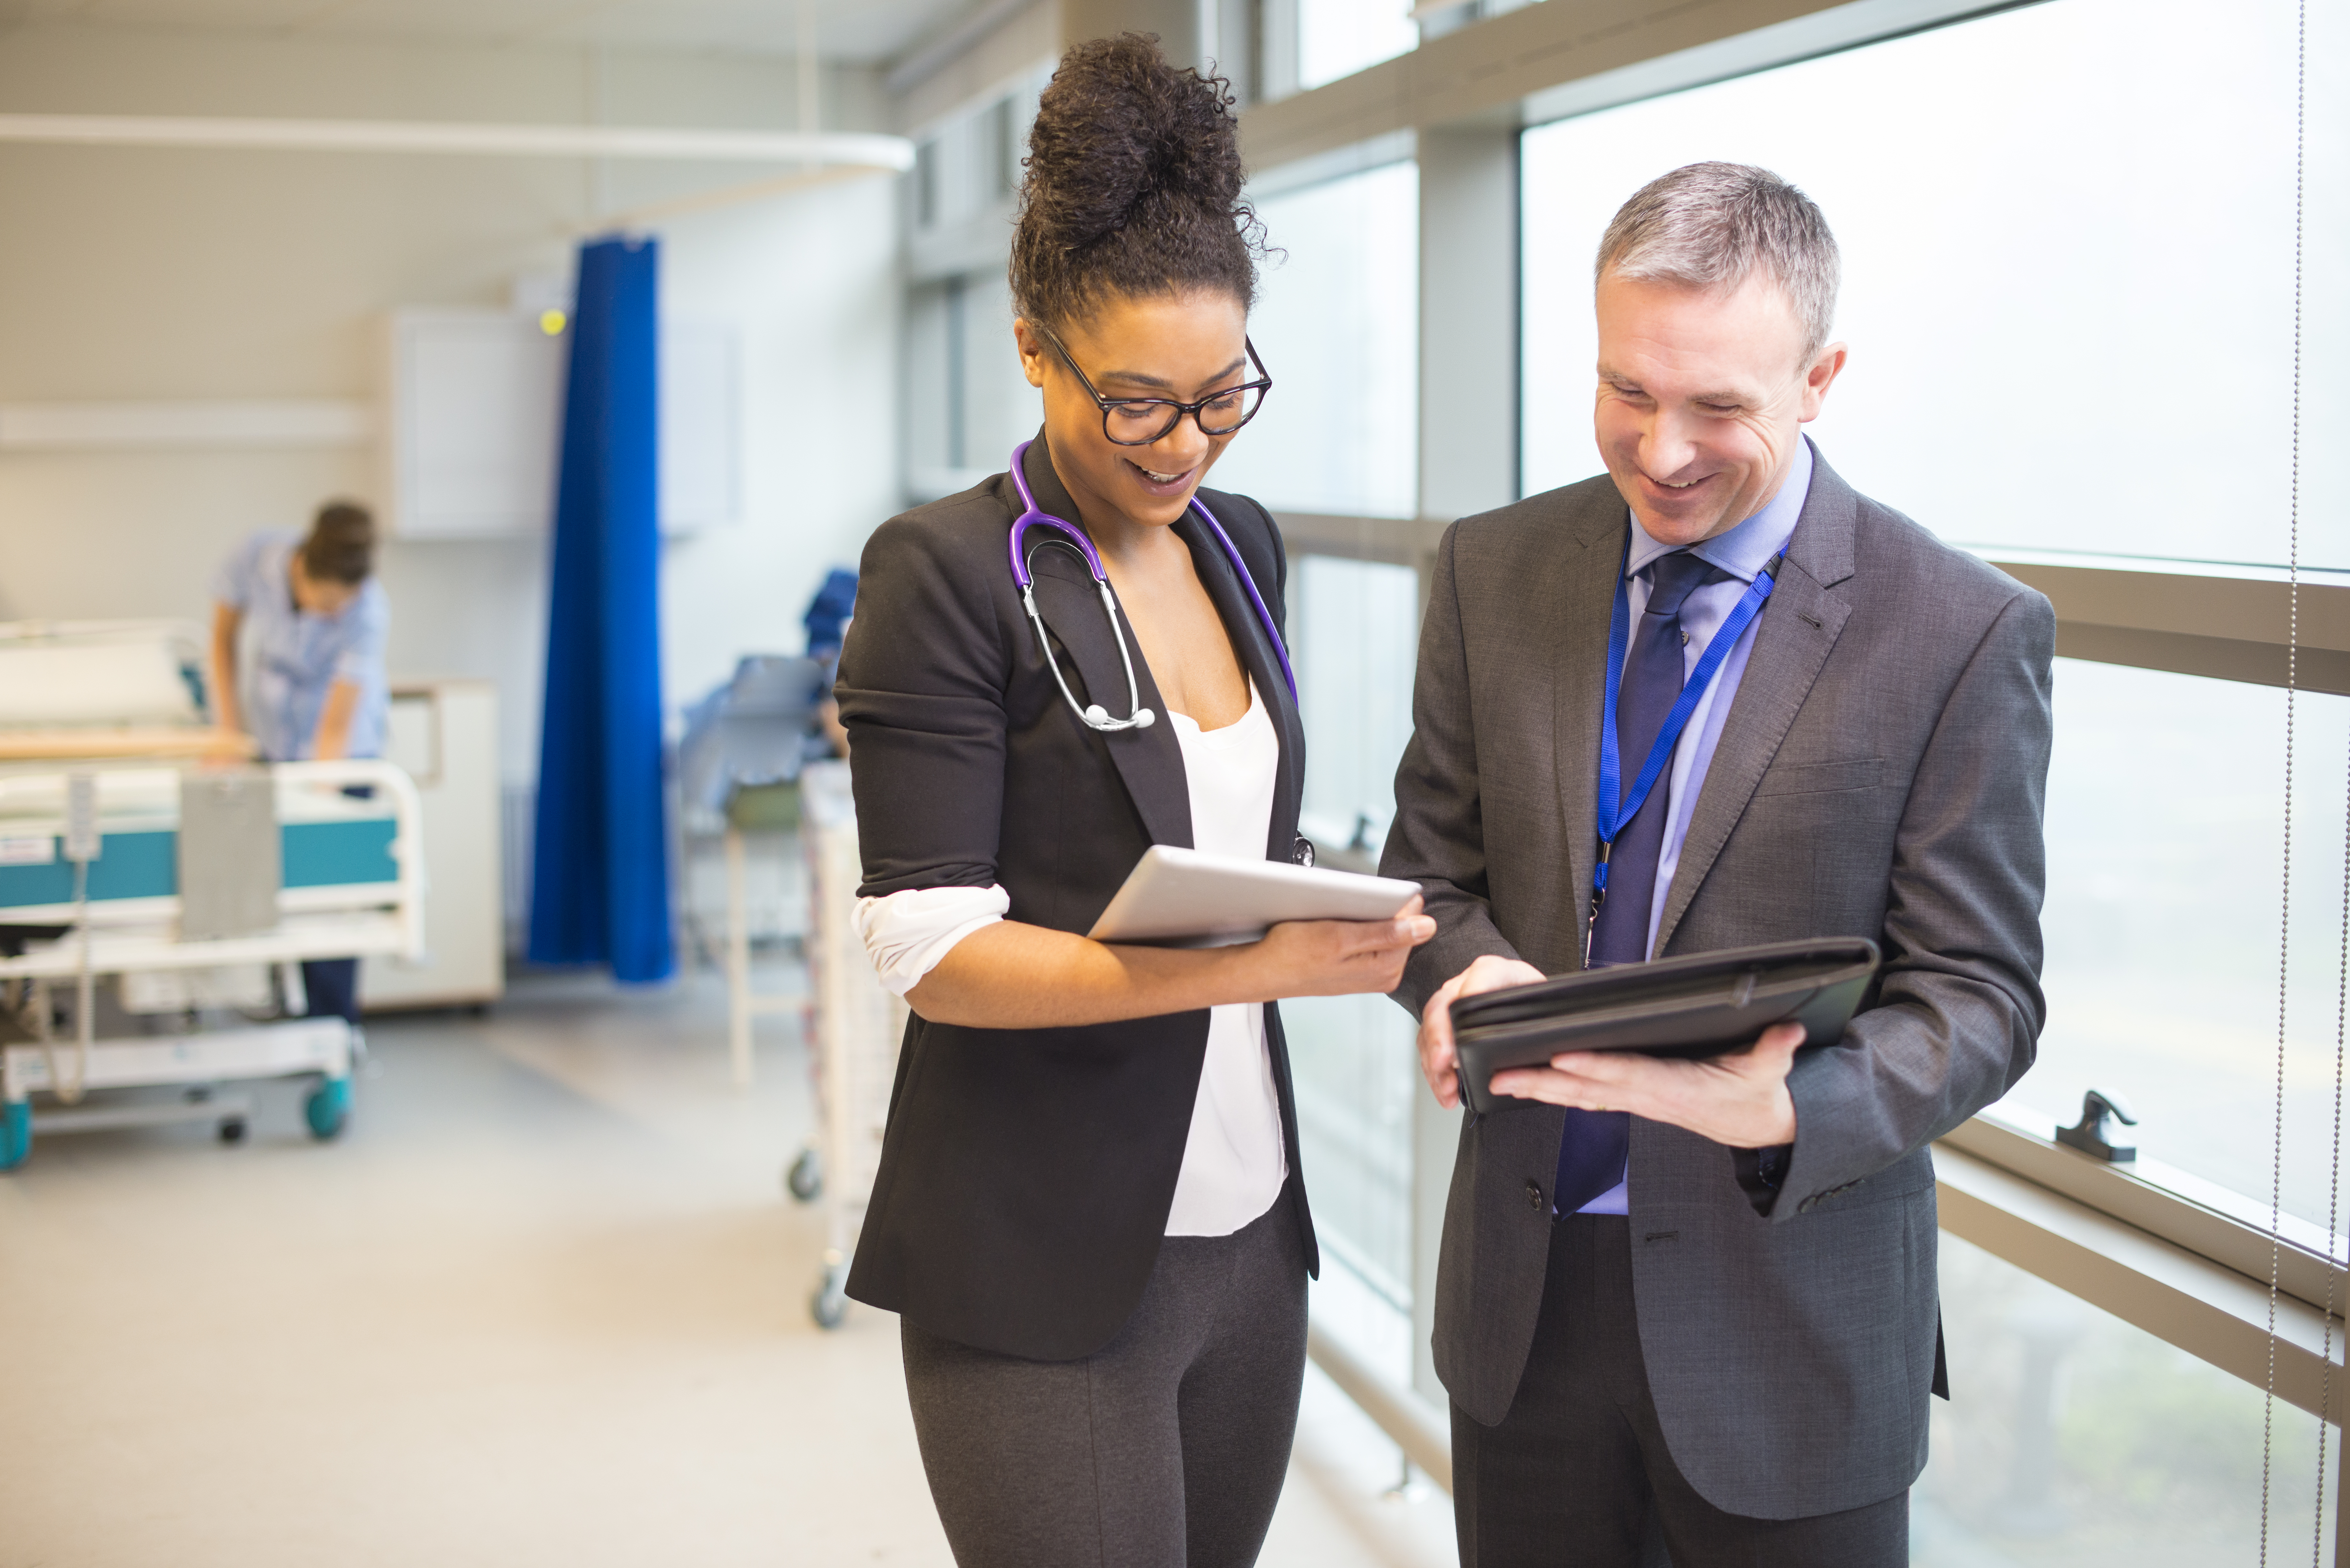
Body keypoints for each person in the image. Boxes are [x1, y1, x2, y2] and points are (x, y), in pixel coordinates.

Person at [1380, 162, 2054, 1566]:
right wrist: (1457, 968)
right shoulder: (1491, 571)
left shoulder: (1957, 632)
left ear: (1821, 378)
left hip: (1788, 1323)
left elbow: (1982, 996)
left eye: (1718, 408)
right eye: (1628, 390)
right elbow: (1427, 872)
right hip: (1524, 1301)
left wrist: (1792, 1103)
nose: (1663, 450)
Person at [836, 34, 1434, 1568]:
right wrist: (1256, 964)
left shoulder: (1238, 542)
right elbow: (932, 948)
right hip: (1044, 1254)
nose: (1183, 444)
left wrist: (1350, 920)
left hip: (1247, 1234)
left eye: (1221, 394)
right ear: (1033, 350)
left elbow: (1236, 841)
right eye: (1136, 404)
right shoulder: (947, 573)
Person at [210, 499, 390, 1028]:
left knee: (329, 893)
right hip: (271, 740)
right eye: (324, 603)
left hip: (343, 754)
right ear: (303, 571)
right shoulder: (257, 556)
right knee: (270, 886)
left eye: (342, 606)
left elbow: (335, 726)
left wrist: (318, 798)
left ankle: (333, 1031)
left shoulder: (369, 611)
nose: (332, 614)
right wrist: (226, 733)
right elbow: (221, 642)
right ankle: (284, 1011)